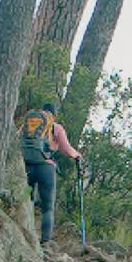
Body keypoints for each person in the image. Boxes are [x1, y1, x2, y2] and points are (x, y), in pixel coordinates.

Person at [20, 102, 81, 249]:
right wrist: (77, 155)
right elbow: (66, 149)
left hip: (26, 165)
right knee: (47, 208)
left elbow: (18, 140)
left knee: (25, 202)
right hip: (46, 168)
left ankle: (24, 236)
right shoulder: (55, 127)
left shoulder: (29, 125)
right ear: (54, 114)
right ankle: (45, 242)